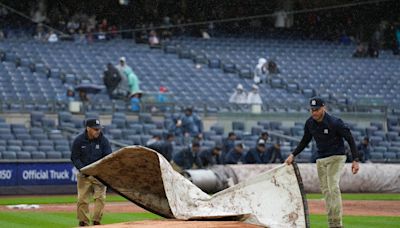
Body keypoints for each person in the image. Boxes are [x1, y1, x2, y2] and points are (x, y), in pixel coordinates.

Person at [285, 97, 360, 228]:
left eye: (317, 110)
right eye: (312, 110)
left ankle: (337, 223)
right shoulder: (309, 123)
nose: (314, 113)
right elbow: (305, 140)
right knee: (326, 191)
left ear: (323, 108)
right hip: (321, 159)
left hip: (337, 157)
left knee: (333, 187)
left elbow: (350, 138)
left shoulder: (335, 122)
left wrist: (355, 160)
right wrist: (293, 154)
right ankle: (332, 223)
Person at [70, 119, 112, 226]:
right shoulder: (79, 140)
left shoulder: (103, 140)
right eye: (95, 129)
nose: (98, 131)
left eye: (99, 129)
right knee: (82, 199)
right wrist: (83, 169)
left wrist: (101, 170)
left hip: (99, 175)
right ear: (88, 128)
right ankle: (83, 222)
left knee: (100, 198)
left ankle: (96, 221)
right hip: (84, 174)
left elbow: (108, 157)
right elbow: (75, 157)